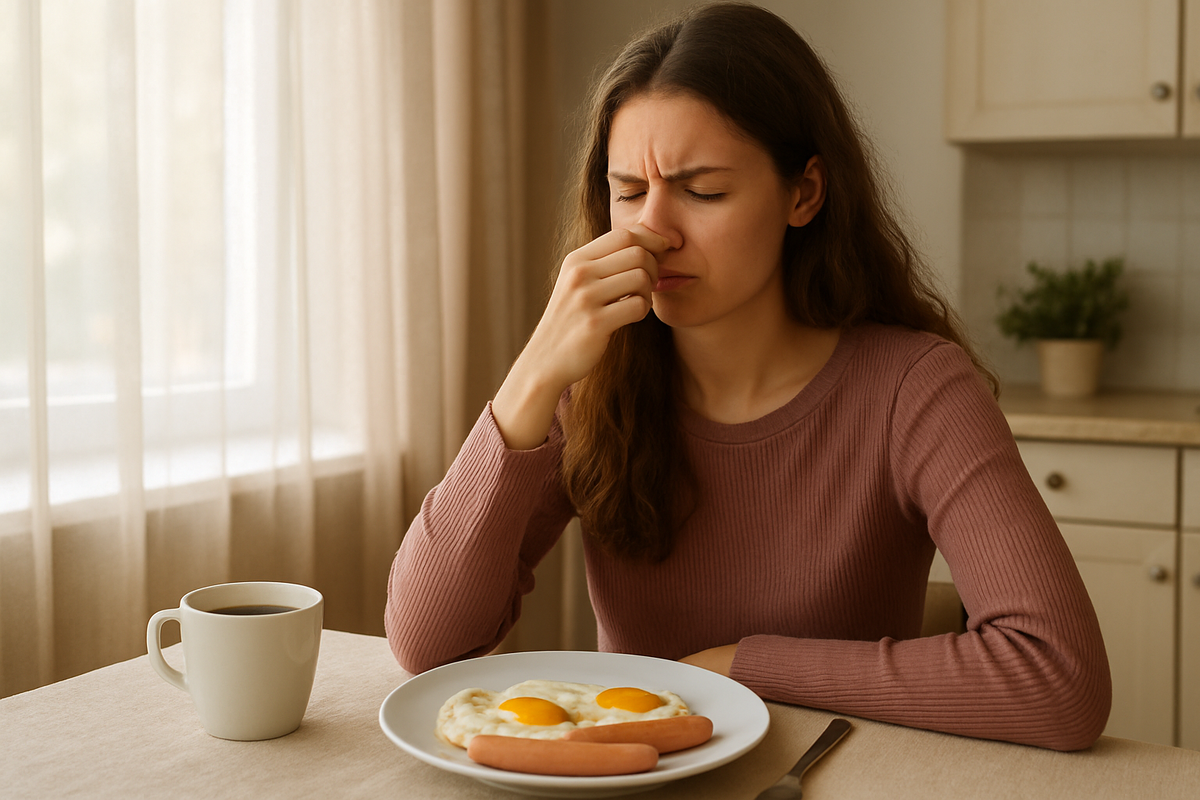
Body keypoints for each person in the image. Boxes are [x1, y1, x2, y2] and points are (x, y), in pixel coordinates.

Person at [384, 2, 1111, 751]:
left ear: (804, 194)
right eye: (628, 191)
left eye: (703, 191)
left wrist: (743, 666)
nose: (653, 231)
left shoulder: (915, 390)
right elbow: (425, 647)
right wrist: (531, 377)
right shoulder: (592, 383)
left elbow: (1059, 680)